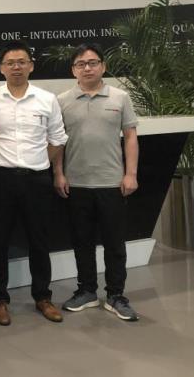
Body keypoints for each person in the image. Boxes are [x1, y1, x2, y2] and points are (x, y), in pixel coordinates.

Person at [0, 40, 67, 326]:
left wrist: (39, 161)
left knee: (39, 240)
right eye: (10, 63)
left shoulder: (46, 99)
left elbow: (58, 138)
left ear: (31, 65)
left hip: (36, 179)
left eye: (21, 62)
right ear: (1, 68)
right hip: (0, 179)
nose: (16, 67)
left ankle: (43, 297)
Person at [54, 43, 140, 321]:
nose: (87, 68)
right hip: (76, 184)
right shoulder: (62, 101)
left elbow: (130, 137)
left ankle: (116, 295)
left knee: (115, 244)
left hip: (111, 183)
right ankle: (87, 291)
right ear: (73, 70)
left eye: (92, 63)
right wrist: (59, 173)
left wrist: (130, 174)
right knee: (82, 242)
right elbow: (58, 142)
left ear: (103, 66)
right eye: (81, 64)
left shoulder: (120, 97)